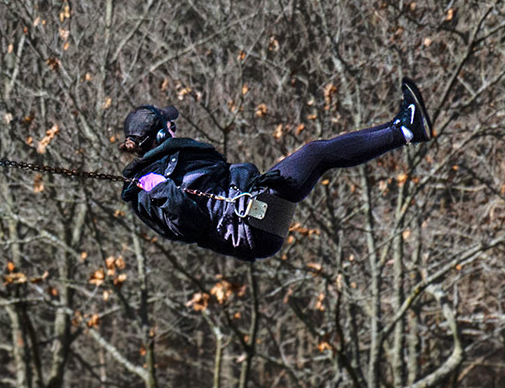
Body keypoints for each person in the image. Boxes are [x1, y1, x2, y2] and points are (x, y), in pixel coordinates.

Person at [118, 79, 431, 262]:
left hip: (255, 210)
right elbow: (191, 225)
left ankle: (401, 127)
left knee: (318, 153)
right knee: (315, 153)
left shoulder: (170, 167)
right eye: (170, 126)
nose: (175, 129)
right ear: (160, 135)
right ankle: (405, 129)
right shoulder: (148, 191)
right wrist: (159, 189)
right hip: (251, 230)